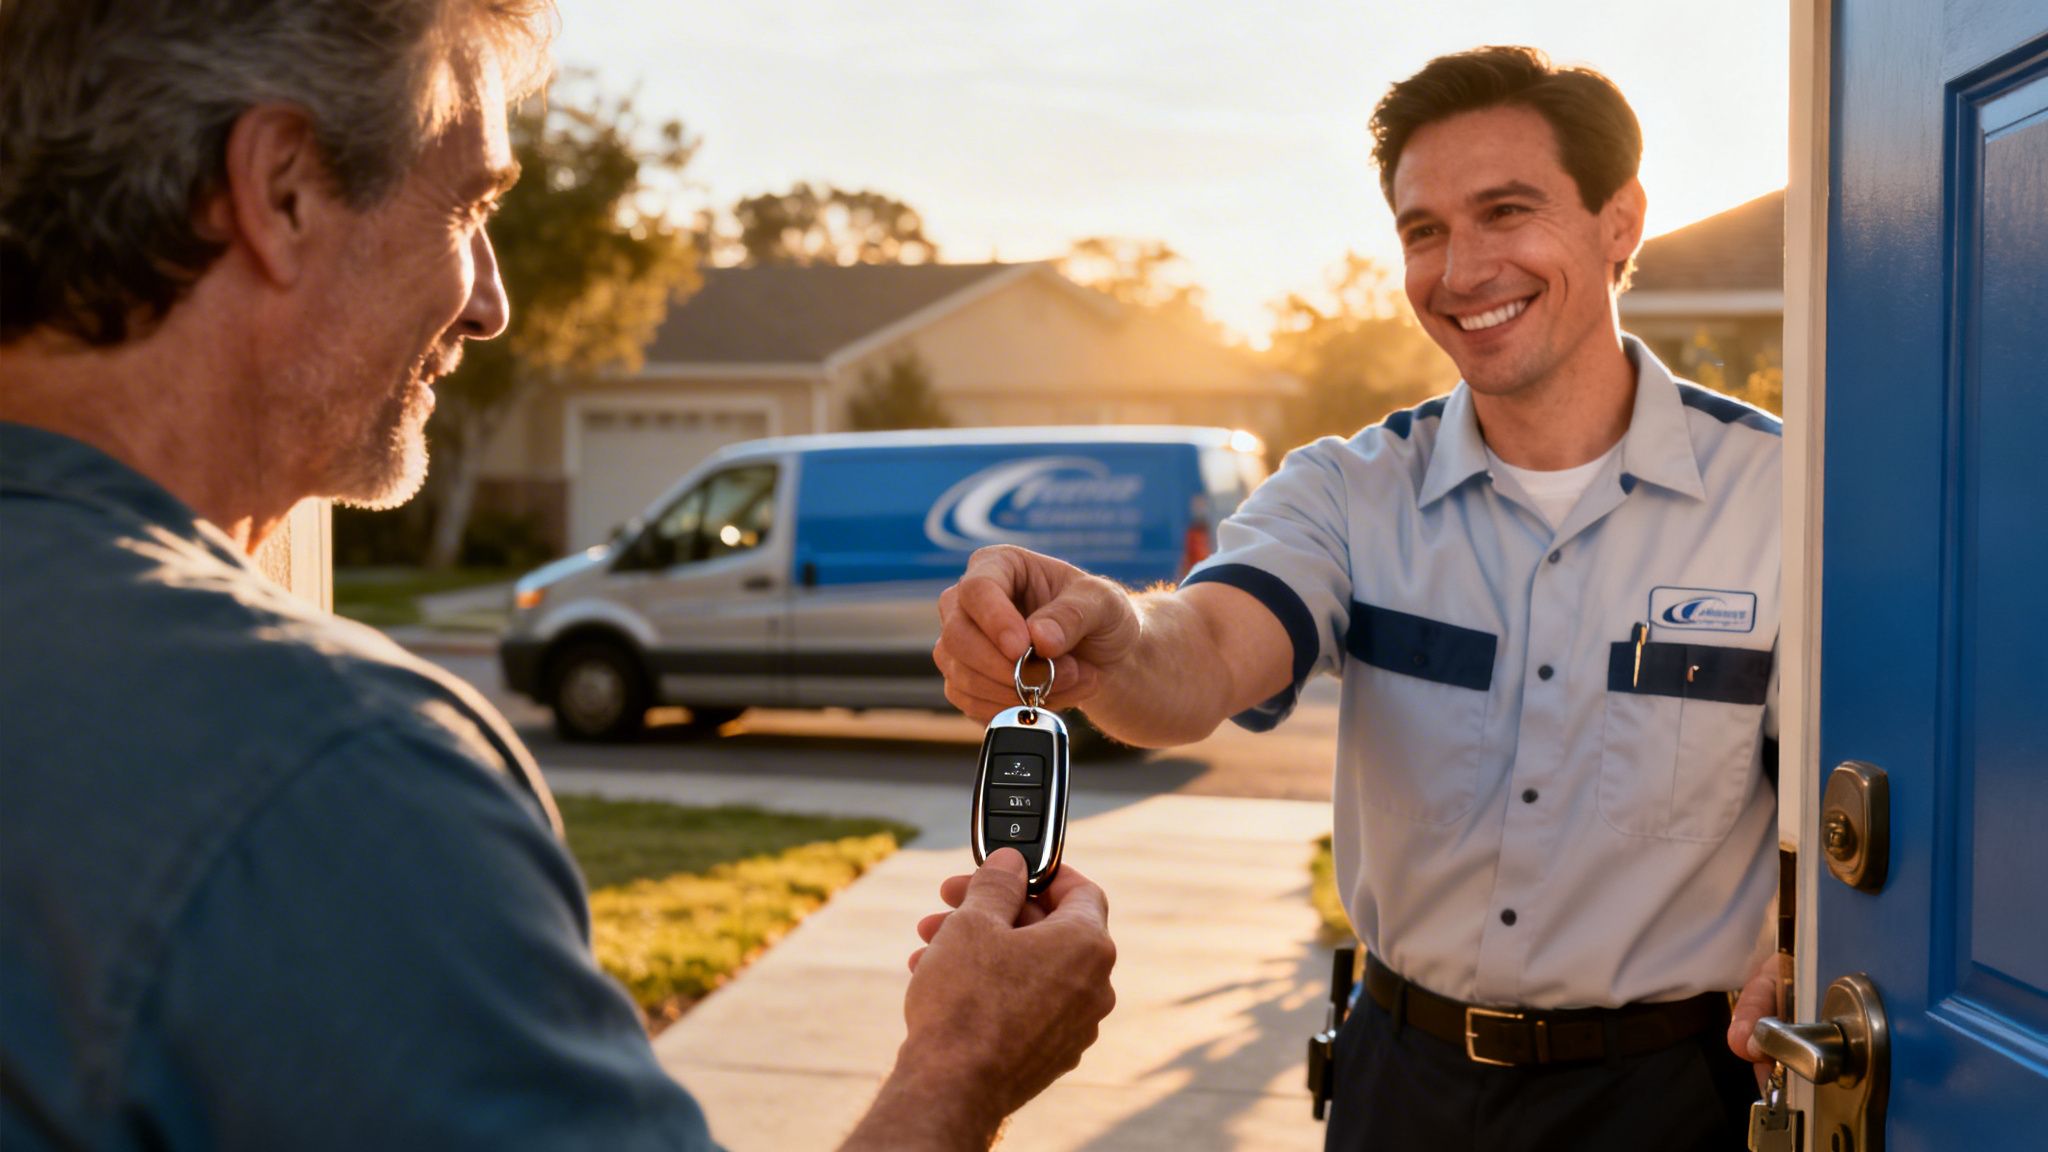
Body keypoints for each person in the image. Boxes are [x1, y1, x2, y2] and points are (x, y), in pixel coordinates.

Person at [0, 3, 1114, 1149]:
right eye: (470, 206)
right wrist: (961, 1069)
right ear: (282, 190)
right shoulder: (334, 774)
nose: (491, 304)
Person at [934, 45, 1779, 1151]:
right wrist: (1108, 635)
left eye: (1504, 212)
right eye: (1421, 230)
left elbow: (1860, 801)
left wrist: (1802, 947)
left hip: (1673, 1102)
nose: (1459, 269)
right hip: (1399, 1089)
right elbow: (1201, 649)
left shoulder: (1785, 499)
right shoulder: (1345, 490)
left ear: (1618, 219)